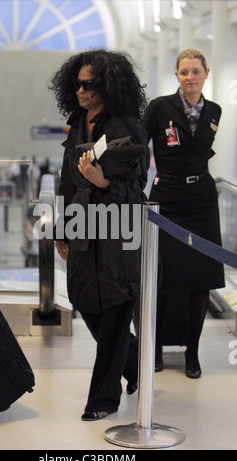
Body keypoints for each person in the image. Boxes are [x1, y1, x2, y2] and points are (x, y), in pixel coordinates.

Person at [49, 49, 149, 421]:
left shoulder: (127, 125)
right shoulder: (77, 123)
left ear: (108, 84)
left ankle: (103, 399)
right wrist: (60, 227)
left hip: (117, 228)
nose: (80, 90)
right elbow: (64, 181)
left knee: (115, 307)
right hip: (81, 223)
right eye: (76, 83)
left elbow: (137, 188)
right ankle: (137, 366)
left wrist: (103, 181)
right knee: (86, 301)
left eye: (88, 84)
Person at [142, 48, 225, 379]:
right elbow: (139, 142)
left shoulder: (215, 110)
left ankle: (193, 352)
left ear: (206, 73)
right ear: (177, 75)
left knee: (201, 280)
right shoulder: (160, 107)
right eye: (184, 71)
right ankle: (158, 349)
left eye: (196, 71)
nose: (190, 77)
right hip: (168, 197)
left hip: (203, 199)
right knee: (162, 277)